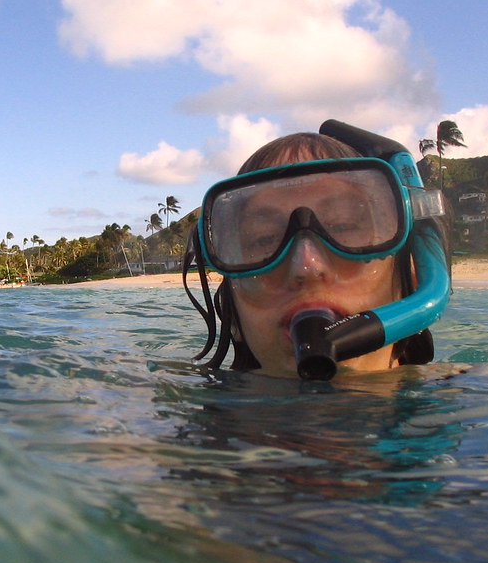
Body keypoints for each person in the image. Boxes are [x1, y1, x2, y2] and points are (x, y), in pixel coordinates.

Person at [182, 121, 452, 380]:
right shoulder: (191, 415)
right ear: (233, 317)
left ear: (413, 281)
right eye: (264, 240)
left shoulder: (474, 398)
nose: (307, 266)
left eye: (344, 226)